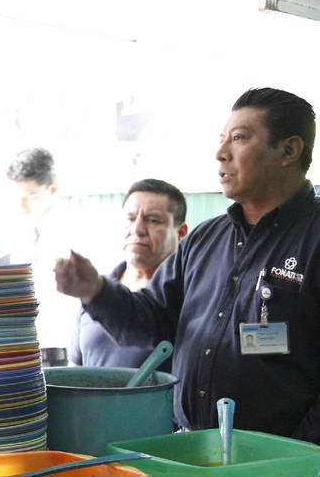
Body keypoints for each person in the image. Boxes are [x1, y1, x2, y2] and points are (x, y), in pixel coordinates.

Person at [55, 87, 320, 444]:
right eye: (222, 139)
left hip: (283, 460)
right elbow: (152, 322)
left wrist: (303, 455)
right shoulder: (204, 239)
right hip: (192, 450)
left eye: (239, 138)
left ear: (289, 150)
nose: (220, 153)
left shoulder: (313, 236)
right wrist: (96, 291)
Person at [69, 179, 187, 368]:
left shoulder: (187, 299)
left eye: (153, 220)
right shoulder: (95, 293)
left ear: (181, 232)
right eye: (130, 219)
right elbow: (74, 370)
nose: (137, 229)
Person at [6, 147, 77, 366]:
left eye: (31, 196)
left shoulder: (74, 235)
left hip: (62, 352)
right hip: (21, 349)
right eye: (19, 197)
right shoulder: (15, 233)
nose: (22, 205)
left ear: (52, 189)